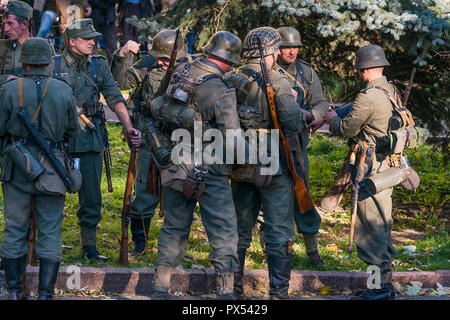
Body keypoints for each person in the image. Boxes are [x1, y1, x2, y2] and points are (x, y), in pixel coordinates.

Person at [151, 31, 242, 299]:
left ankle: (159, 286)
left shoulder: (181, 70)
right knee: (224, 229)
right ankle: (225, 291)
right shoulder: (220, 89)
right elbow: (232, 136)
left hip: (176, 162)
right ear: (228, 60)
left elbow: (159, 108)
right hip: (211, 168)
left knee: (174, 227)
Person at [49, 18, 141, 262]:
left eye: (94, 38)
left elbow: (114, 97)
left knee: (91, 198)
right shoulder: (53, 65)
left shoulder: (98, 66)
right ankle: (49, 244)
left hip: (90, 140)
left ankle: (89, 245)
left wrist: (129, 126)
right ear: (71, 41)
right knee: (51, 194)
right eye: (87, 38)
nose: (93, 42)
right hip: (59, 142)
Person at [0, 37, 80, 300]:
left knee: (14, 229)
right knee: (50, 232)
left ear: (24, 61)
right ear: (48, 61)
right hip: (53, 170)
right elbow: (72, 131)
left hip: (17, 167)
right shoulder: (63, 89)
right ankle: (45, 295)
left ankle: (13, 293)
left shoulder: (9, 90)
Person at [230, 27, 304, 300]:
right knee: (278, 230)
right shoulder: (278, 80)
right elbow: (293, 122)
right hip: (273, 166)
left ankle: (233, 291)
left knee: (239, 229)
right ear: (272, 52)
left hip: (238, 163)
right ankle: (278, 294)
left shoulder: (231, 78)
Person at [324, 44, 397, 300]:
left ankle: (376, 290)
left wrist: (332, 120)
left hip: (369, 170)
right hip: (387, 168)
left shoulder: (369, 95)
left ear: (364, 69)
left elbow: (346, 128)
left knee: (370, 231)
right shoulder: (389, 90)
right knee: (382, 225)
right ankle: (385, 286)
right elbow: (356, 110)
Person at [110, 29, 186, 255]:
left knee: (179, 190)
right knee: (144, 189)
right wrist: (123, 54)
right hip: (148, 133)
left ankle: (174, 246)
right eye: (159, 58)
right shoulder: (149, 63)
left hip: (179, 136)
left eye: (166, 59)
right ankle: (139, 240)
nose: (163, 63)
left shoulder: (190, 67)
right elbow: (120, 81)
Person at [275, 26, 327, 265]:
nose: (292, 51)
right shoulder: (268, 72)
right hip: (271, 144)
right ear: (277, 49)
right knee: (273, 199)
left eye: (295, 47)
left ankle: (312, 249)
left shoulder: (306, 72)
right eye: (287, 47)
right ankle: (275, 248)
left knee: (302, 194)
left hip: (297, 143)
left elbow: (321, 102)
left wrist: (313, 115)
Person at [0, 0, 32, 86]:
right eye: (5, 24)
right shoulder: (1, 46)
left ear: (24, 24)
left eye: (10, 23)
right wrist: (6, 79)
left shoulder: (41, 47)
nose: (6, 29)